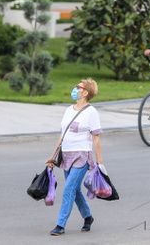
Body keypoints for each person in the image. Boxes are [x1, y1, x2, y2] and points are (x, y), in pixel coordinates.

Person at [46, 78, 103, 236]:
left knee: (69, 189)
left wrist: (100, 163)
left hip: (81, 156)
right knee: (75, 190)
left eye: (78, 87)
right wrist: (53, 157)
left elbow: (96, 138)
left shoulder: (92, 112)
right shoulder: (69, 110)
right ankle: (88, 217)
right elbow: (62, 135)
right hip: (66, 155)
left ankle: (60, 225)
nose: (75, 88)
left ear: (85, 92)